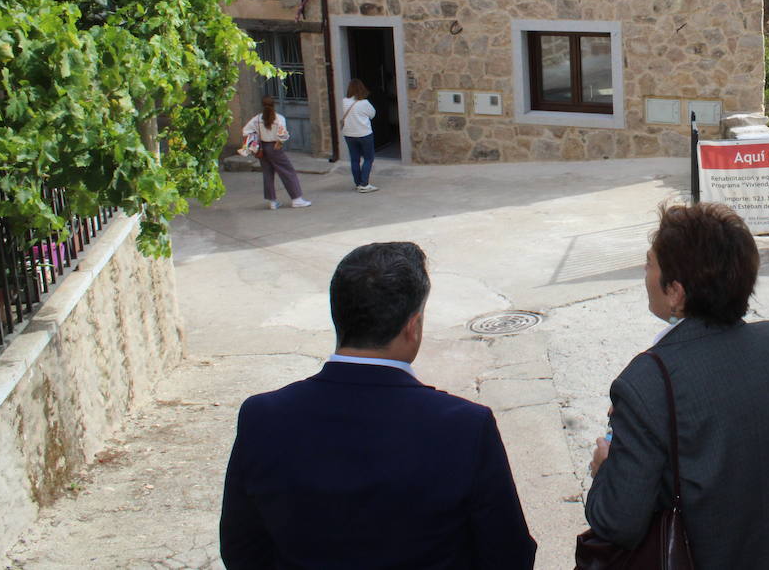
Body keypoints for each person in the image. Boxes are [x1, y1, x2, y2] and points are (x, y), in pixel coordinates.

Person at [219, 242, 537, 569]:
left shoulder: (262, 417)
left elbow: (241, 549)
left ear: (337, 315)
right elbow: (508, 555)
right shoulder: (465, 426)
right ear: (412, 327)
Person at [585, 202, 769, 569]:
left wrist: (606, 468)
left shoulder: (646, 382)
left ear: (675, 291)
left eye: (649, 263)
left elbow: (617, 521)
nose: (644, 272)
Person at [241, 96, 311, 210]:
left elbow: (245, 130)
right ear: (274, 105)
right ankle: (296, 199)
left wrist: (256, 139)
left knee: (268, 174)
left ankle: (272, 202)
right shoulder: (279, 118)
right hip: (274, 147)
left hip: (262, 148)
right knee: (288, 172)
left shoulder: (257, 118)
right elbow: (283, 134)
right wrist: (280, 142)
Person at [340, 78, 378, 193]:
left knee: (354, 159)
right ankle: (364, 184)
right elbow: (372, 114)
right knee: (368, 158)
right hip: (364, 133)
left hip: (349, 134)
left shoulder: (344, 101)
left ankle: (358, 183)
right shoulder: (364, 103)